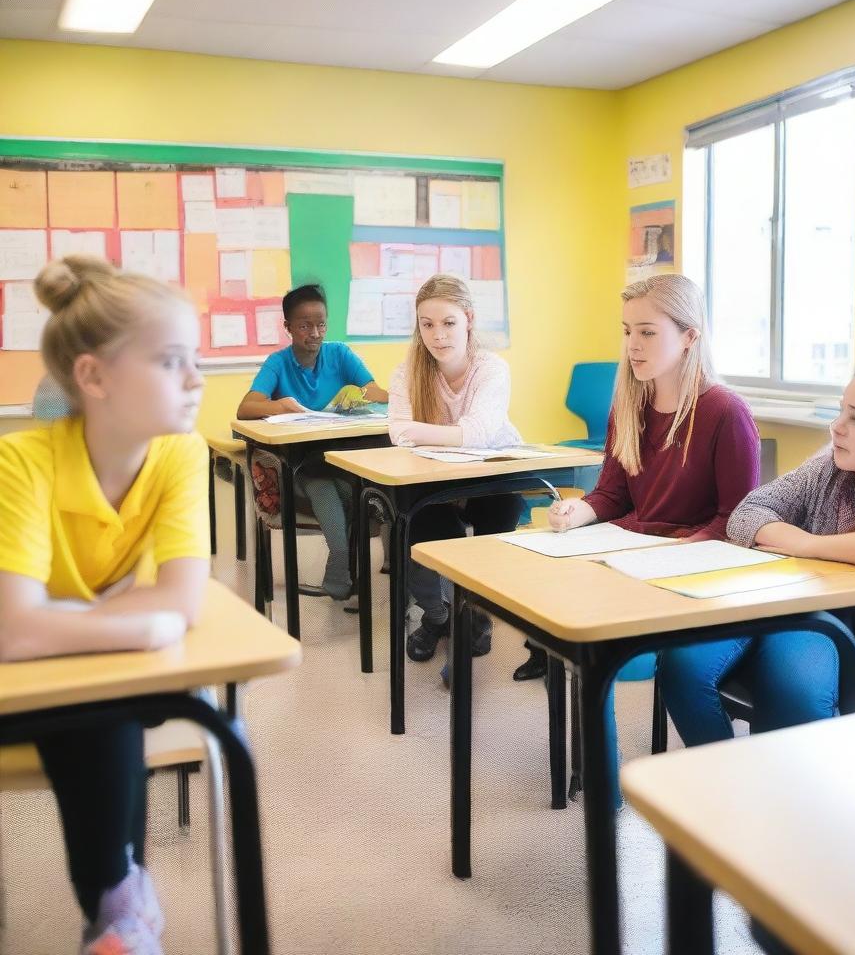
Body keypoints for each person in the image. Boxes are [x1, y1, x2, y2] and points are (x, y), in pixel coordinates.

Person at [0, 254, 210, 954]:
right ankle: (120, 906)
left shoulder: (180, 454)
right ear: (93, 377)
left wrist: (58, 626)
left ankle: (116, 914)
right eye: (171, 361)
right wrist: (134, 623)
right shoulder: (23, 462)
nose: (196, 380)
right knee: (106, 699)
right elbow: (10, 630)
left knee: (101, 697)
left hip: (63, 676)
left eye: (196, 359)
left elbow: (180, 602)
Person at [660, 356, 855, 746]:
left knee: (802, 693)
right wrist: (788, 537)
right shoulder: (829, 469)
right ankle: (724, 778)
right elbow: (748, 512)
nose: (837, 427)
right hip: (813, 617)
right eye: (841, 411)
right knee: (688, 665)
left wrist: (806, 544)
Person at [545, 273, 759, 802]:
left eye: (647, 333)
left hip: (696, 572)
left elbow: (737, 520)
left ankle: (730, 794)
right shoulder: (629, 404)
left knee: (621, 656)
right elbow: (614, 495)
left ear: (689, 337)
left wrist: (676, 550)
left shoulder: (725, 412)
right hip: (633, 557)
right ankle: (604, 797)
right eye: (627, 333)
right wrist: (581, 511)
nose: (632, 347)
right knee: (561, 639)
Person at [388, 274, 532, 668]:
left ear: (468, 318)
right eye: (427, 324)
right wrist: (453, 435)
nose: (438, 335)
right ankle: (438, 616)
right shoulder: (407, 374)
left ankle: (476, 614)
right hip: (437, 480)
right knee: (419, 526)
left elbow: (481, 434)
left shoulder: (491, 368)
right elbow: (398, 433)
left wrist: (420, 432)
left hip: (492, 480)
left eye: (448, 323)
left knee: (490, 535)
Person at [236, 283, 387, 600]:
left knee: (361, 495)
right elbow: (246, 408)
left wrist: (378, 397)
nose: (315, 333)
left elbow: (375, 393)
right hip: (299, 466)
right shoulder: (278, 363)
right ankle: (339, 579)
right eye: (304, 325)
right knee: (331, 501)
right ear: (288, 327)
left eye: (321, 324)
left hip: (337, 460)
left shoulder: (339, 354)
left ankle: (344, 580)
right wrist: (281, 405)